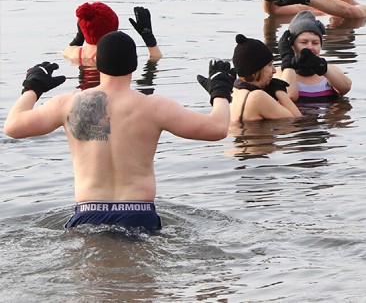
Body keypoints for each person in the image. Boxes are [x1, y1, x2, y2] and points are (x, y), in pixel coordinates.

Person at [3, 30, 234, 232]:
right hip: (139, 214)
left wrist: (33, 87)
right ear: (134, 63)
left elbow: (12, 127)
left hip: (87, 214)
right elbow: (217, 129)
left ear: (95, 61)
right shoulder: (154, 107)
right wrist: (220, 91)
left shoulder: (68, 104)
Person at [275, 10, 352, 101]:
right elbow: (290, 96)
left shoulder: (330, 70)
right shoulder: (278, 73)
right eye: (304, 42)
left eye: (315, 43)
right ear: (291, 45)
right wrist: (288, 60)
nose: (310, 47)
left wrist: (321, 67)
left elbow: (346, 88)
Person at [229, 34, 302, 121]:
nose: (274, 70)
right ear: (256, 70)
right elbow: (296, 122)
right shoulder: (257, 97)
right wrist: (280, 92)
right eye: (269, 65)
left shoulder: (234, 92)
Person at [63, 2, 163, 64]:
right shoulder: (113, 55)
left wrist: (80, 36)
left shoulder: (74, 53)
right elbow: (155, 60)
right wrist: (149, 39)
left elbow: (69, 48)